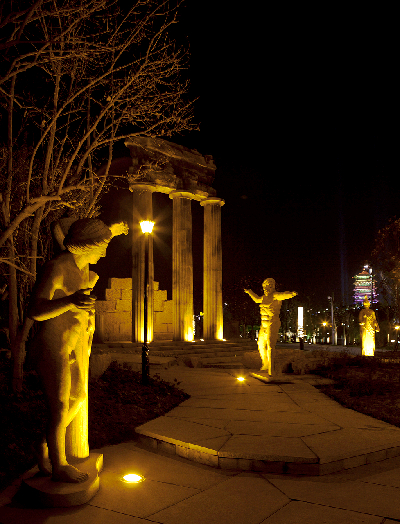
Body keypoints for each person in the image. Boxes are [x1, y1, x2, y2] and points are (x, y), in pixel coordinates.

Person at [28, 218, 128, 483]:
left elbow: (75, 243)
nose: (105, 252)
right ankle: (58, 464)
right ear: (86, 246)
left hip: (76, 343)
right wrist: (71, 301)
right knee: (60, 405)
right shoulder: (57, 268)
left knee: (78, 397)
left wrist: (113, 231)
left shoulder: (83, 267)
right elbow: (36, 310)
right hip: (54, 344)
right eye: (102, 246)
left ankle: (44, 443)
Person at [244, 278, 297, 374]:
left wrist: (291, 294)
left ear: (272, 286)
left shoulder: (275, 296)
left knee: (270, 345)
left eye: (267, 286)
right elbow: (256, 299)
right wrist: (249, 292)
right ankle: (266, 363)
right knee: (260, 345)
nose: (265, 288)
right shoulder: (264, 297)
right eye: (264, 286)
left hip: (273, 322)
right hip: (263, 325)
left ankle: (271, 369)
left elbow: (283, 295)